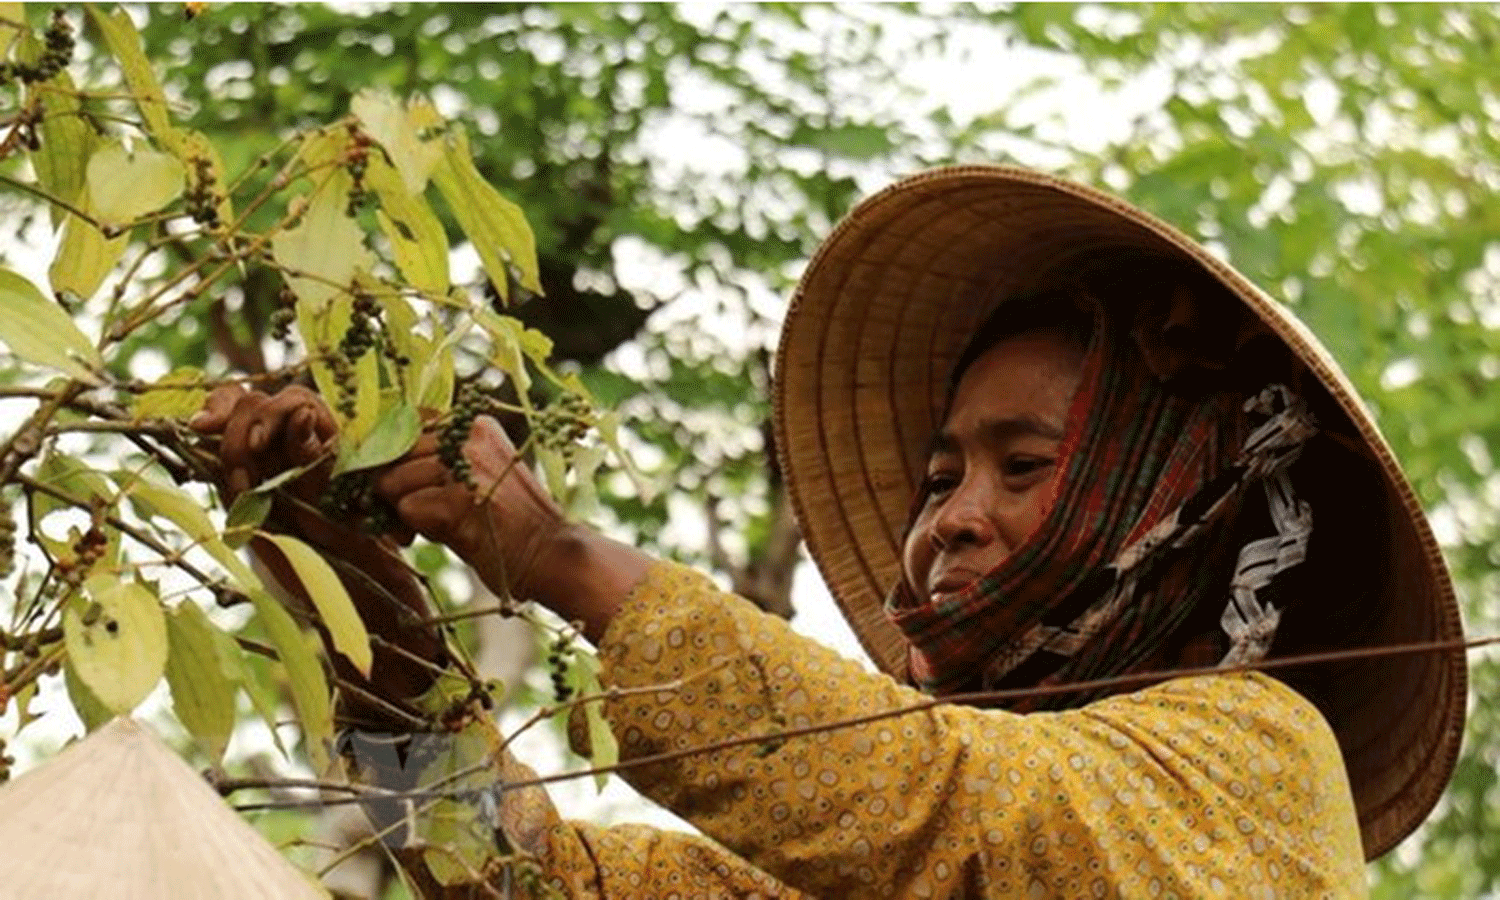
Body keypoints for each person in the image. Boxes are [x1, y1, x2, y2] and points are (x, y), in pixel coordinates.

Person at [194, 166, 1466, 898]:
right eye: (936, 479)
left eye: (1023, 467)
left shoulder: (1257, 760)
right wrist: (345, 581)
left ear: (1174, 501)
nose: (952, 521)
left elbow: (951, 805)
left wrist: (555, 554)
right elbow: (523, 880)